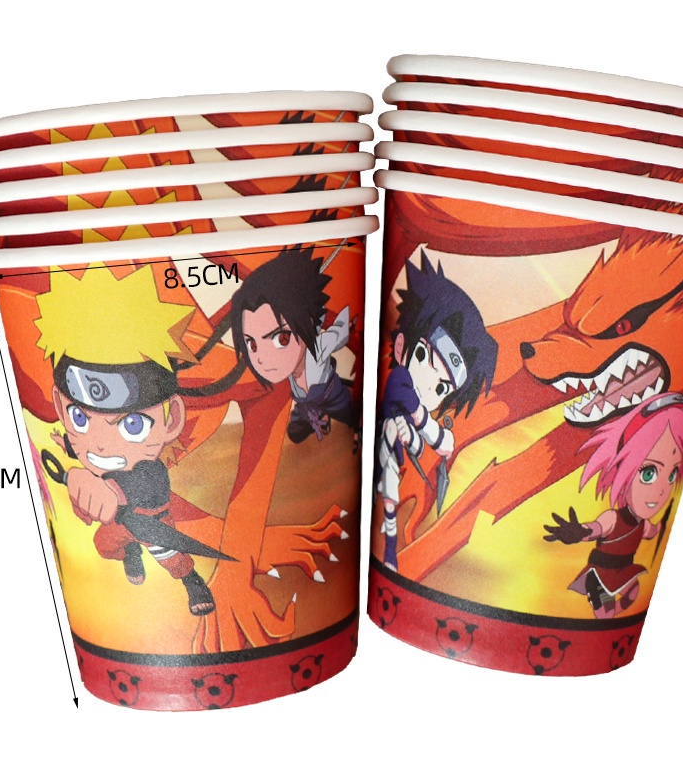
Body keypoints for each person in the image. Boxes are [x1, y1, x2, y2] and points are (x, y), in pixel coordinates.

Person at [35, 265, 228, 617]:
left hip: (150, 521)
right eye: (80, 417)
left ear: (171, 421)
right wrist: (70, 449)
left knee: (169, 555)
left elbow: (126, 488)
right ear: (62, 408)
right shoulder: (90, 446)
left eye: (132, 424)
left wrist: (103, 491)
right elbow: (94, 456)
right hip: (117, 527)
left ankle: (192, 582)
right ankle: (130, 553)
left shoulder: (151, 472)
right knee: (104, 546)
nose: (100, 445)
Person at [376, 252, 498, 571]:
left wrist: (420, 439)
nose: (431, 385)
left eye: (443, 388)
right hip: (380, 449)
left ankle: (390, 552)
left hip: (391, 451)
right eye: (422, 355)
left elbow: (414, 436)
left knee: (389, 501)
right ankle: (389, 551)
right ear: (402, 347)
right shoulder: (400, 379)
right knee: (386, 498)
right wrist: (437, 436)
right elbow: (414, 411)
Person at [543, 392, 683, 618]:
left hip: (624, 568)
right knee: (605, 611)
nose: (662, 489)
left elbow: (651, 531)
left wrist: (662, 526)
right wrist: (579, 532)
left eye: (672, 474)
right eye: (648, 473)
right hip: (604, 570)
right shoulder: (614, 518)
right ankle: (599, 601)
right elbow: (597, 528)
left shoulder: (642, 523)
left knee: (633, 591)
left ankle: (606, 611)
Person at [231, 247, 358, 445]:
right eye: (252, 344)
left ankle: (349, 424)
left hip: (330, 392)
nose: (261, 359)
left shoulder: (316, 348)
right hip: (304, 399)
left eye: (281, 339)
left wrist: (346, 324)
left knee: (346, 411)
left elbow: (336, 335)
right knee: (296, 427)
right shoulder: (288, 365)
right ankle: (317, 418)